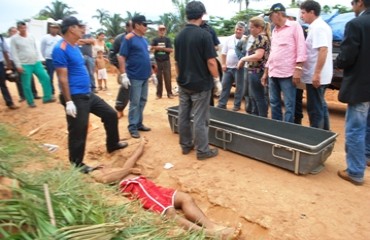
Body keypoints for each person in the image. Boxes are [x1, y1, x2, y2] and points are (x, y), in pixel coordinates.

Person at [91, 138, 242, 239]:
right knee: (169, 212)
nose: (103, 165)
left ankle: (214, 227)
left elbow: (132, 159)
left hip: (148, 185)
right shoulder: (97, 173)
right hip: (135, 188)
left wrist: (141, 144)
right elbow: (106, 179)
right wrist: (128, 171)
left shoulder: (118, 168)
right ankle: (209, 234)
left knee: (185, 198)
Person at [52, 16, 128, 174]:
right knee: (78, 131)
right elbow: (62, 78)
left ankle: (112, 144)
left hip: (87, 93)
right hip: (75, 97)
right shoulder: (60, 49)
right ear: (71, 28)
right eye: (80, 27)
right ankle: (77, 164)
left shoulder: (74, 47)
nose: (82, 30)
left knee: (110, 115)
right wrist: (68, 102)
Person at [174, 1, 222, 160]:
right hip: (200, 84)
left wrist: (180, 79)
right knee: (200, 119)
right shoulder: (204, 35)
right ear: (202, 15)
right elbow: (211, 61)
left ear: (187, 15)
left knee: (184, 115)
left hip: (184, 83)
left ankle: (185, 145)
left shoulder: (179, 36)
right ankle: (202, 151)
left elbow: (177, 62)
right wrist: (217, 80)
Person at [336, 0, 370, 185]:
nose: (351, 7)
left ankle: (356, 172)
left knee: (356, 129)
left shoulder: (356, 24)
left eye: (352, 3)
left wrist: (339, 62)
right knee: (369, 125)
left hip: (361, 86)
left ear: (360, 3)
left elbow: (347, 56)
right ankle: (367, 157)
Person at [261, 3, 307, 123]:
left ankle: (287, 131)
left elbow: (301, 48)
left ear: (278, 14)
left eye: (271, 15)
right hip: (273, 72)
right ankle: (277, 129)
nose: (269, 18)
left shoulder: (295, 26)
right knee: (274, 103)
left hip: (287, 74)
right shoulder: (275, 30)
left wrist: (298, 69)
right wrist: (266, 72)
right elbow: (272, 52)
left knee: (289, 105)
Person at [118, 15, 153, 139]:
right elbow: (121, 56)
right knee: (135, 102)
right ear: (137, 25)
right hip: (134, 76)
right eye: (144, 25)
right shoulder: (129, 38)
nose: (146, 27)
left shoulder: (144, 39)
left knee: (142, 101)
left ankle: (138, 123)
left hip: (144, 76)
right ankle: (132, 126)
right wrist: (123, 74)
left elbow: (147, 57)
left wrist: (152, 74)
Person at [300, 1, 332, 130]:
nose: (302, 16)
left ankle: (316, 136)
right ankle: (325, 133)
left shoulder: (318, 27)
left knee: (315, 108)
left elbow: (323, 50)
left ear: (311, 12)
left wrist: (317, 73)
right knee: (320, 105)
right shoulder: (317, 26)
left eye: (303, 13)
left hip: (317, 75)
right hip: (317, 74)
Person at [11, 21, 54, 108]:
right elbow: (14, 53)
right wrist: (18, 65)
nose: (23, 29)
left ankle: (47, 97)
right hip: (24, 64)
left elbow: (35, 48)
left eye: (24, 27)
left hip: (36, 62)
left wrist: (40, 59)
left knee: (45, 77)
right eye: (21, 28)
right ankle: (30, 102)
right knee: (26, 84)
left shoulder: (31, 36)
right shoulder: (14, 39)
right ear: (18, 28)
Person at [237, 16, 271, 118]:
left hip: (257, 71)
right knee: (258, 96)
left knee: (258, 97)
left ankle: (261, 118)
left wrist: (243, 59)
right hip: (259, 71)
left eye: (252, 27)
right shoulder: (265, 37)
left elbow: (258, 55)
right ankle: (258, 116)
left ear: (259, 28)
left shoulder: (261, 38)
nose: (250, 29)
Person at [216, 21, 246, 112]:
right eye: (237, 29)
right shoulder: (229, 39)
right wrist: (223, 64)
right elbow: (224, 53)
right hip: (228, 67)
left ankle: (236, 105)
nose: (238, 31)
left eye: (240, 29)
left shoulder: (245, 40)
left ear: (243, 30)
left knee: (239, 87)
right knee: (225, 85)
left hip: (239, 68)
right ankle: (222, 104)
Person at [5, 26, 39, 102]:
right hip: (14, 61)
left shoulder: (20, 39)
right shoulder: (7, 41)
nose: (14, 33)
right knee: (18, 79)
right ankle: (22, 95)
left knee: (30, 78)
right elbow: (7, 52)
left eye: (15, 31)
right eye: (12, 31)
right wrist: (9, 63)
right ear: (9, 33)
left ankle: (34, 93)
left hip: (25, 61)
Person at [112, 21, 133, 119]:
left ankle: (134, 110)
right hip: (125, 69)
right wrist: (120, 68)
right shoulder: (119, 39)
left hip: (136, 69)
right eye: (132, 27)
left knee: (136, 90)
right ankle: (119, 109)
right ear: (127, 27)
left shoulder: (138, 37)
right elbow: (112, 54)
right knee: (125, 88)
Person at [150, 25, 174, 99]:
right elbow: (150, 47)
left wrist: (162, 49)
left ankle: (169, 93)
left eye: (163, 30)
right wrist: (157, 48)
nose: (162, 31)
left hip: (166, 61)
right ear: (158, 31)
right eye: (160, 30)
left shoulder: (167, 40)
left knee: (168, 78)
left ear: (165, 31)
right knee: (158, 78)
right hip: (157, 61)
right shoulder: (155, 39)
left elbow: (171, 50)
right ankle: (159, 94)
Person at [41, 22, 62, 95]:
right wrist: (45, 57)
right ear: (50, 28)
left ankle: (61, 92)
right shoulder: (45, 37)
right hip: (49, 60)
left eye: (56, 28)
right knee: (50, 77)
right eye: (53, 28)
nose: (54, 29)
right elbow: (42, 49)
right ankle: (51, 92)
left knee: (60, 76)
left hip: (58, 60)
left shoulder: (60, 38)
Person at [0, 32, 18, 110]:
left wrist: (8, 64)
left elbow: (5, 51)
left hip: (0, 63)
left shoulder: (0, 37)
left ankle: (9, 103)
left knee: (2, 83)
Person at [78, 24, 97, 93]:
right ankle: (84, 88)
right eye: (81, 27)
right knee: (81, 73)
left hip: (89, 56)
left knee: (91, 73)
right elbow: (77, 42)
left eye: (84, 27)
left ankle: (93, 87)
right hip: (80, 57)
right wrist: (86, 41)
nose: (83, 29)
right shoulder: (77, 36)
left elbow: (92, 41)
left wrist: (82, 40)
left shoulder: (89, 35)